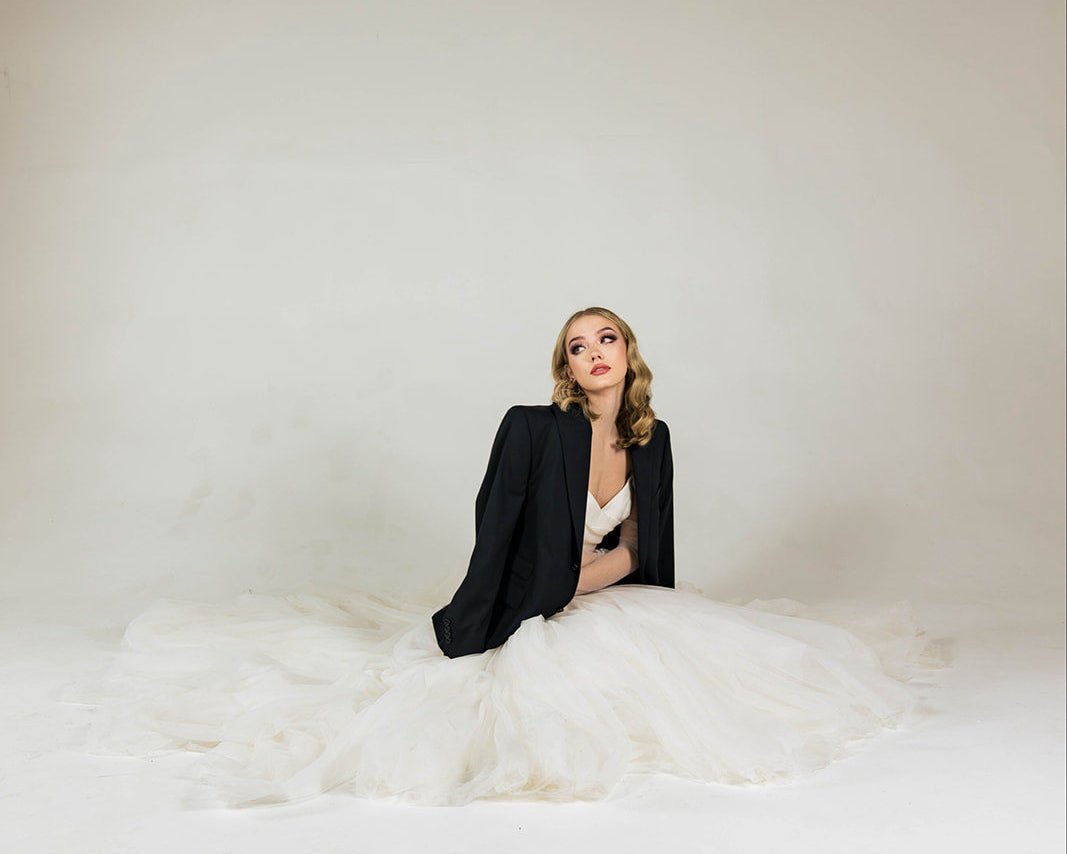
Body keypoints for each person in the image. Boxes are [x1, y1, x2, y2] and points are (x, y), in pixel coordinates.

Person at [68, 306, 947, 808]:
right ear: (564, 368)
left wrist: (587, 580)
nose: (594, 353)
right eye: (577, 345)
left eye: (606, 338)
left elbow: (645, 545)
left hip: (599, 593)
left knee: (722, 682)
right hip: (529, 596)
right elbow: (496, 529)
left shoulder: (655, 436)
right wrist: (531, 598)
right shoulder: (532, 429)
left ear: (629, 355)